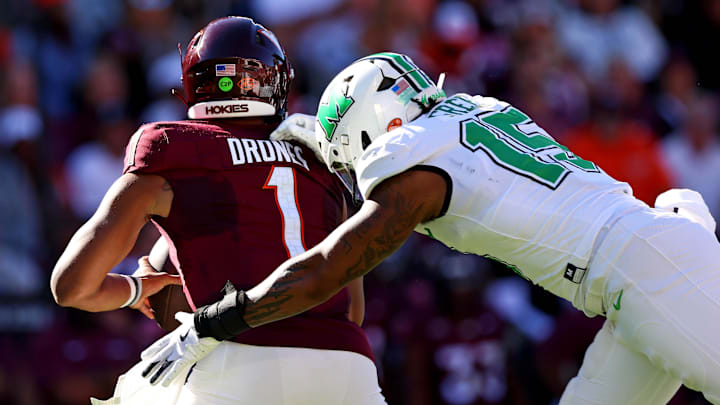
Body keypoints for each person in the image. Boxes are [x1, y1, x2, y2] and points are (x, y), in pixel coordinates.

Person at [142, 52, 720, 404]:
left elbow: (325, 273)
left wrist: (215, 322)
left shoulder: (413, 167)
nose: (350, 170)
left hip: (644, 270)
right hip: (641, 267)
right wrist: (310, 132)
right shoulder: (472, 108)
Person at [50, 17, 385, 405]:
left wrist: (137, 289)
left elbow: (72, 285)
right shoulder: (320, 159)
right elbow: (353, 309)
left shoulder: (171, 148)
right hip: (346, 366)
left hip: (236, 360)